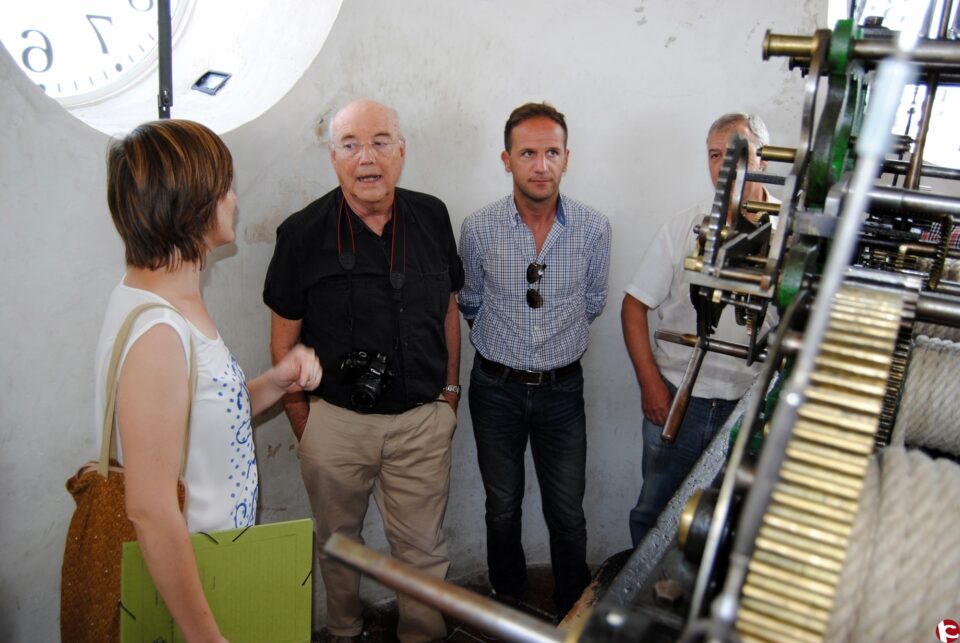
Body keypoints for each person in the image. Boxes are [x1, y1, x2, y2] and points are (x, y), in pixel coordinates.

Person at [95, 119, 322, 641]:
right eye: (226, 187)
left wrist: (277, 380)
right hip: (192, 577)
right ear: (191, 201)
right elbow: (151, 511)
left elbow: (200, 415)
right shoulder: (158, 331)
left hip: (221, 556)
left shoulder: (170, 301)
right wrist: (207, 635)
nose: (235, 201)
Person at [263, 99, 463, 643]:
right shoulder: (301, 234)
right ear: (333, 157)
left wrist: (449, 394)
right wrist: (306, 427)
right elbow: (284, 341)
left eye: (380, 141)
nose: (366, 157)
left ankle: (422, 635)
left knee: (424, 550)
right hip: (335, 424)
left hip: (424, 421)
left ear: (402, 152)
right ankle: (345, 630)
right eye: (350, 144)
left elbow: (447, 309)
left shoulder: (433, 216)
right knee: (338, 544)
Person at [458, 101, 611, 617]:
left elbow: (592, 301)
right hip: (494, 391)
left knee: (568, 513)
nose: (540, 165)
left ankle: (573, 607)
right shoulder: (478, 228)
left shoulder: (593, 229)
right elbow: (470, 301)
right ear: (507, 159)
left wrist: (550, 347)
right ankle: (508, 598)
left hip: (562, 393)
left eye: (551, 152)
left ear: (567, 157)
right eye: (528, 153)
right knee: (501, 509)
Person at [623, 112, 778, 547]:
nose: (723, 166)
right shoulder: (682, 229)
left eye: (737, 153)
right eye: (714, 155)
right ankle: (646, 608)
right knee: (655, 513)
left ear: (763, 158)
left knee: (735, 523)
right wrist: (650, 382)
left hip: (746, 409)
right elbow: (633, 306)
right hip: (676, 399)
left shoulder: (791, 240)